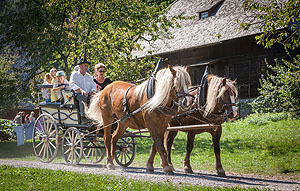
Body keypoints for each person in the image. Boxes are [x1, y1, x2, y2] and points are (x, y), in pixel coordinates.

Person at [70, 59, 96, 123]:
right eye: (85, 66)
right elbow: (72, 84)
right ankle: (83, 117)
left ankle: (93, 116)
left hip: (88, 94)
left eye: (87, 66)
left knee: (95, 98)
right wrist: (81, 90)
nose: (87, 67)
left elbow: (93, 85)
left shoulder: (89, 76)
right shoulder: (74, 74)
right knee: (83, 97)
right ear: (80, 66)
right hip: (77, 94)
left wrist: (93, 91)